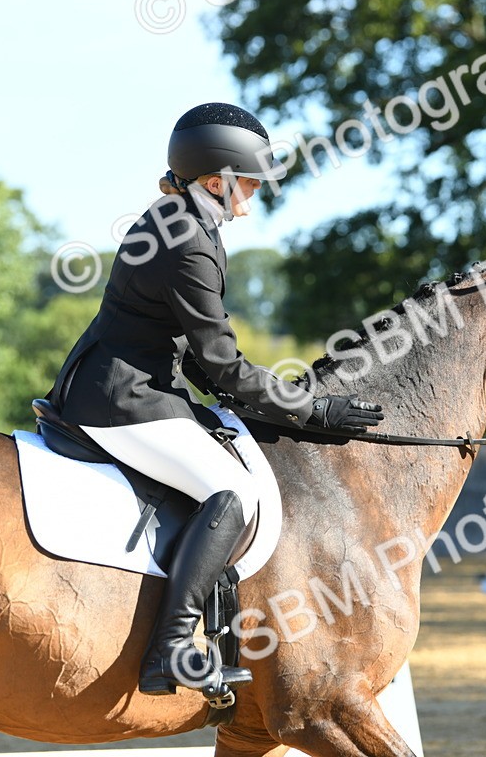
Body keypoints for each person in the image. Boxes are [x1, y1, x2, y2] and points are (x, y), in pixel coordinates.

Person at [46, 102, 385, 696]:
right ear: (214, 181)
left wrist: (276, 403)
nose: (254, 195)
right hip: (123, 397)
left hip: (136, 383)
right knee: (232, 494)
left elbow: (204, 360)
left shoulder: (179, 220)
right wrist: (313, 409)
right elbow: (224, 365)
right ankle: (171, 649)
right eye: (248, 182)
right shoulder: (189, 243)